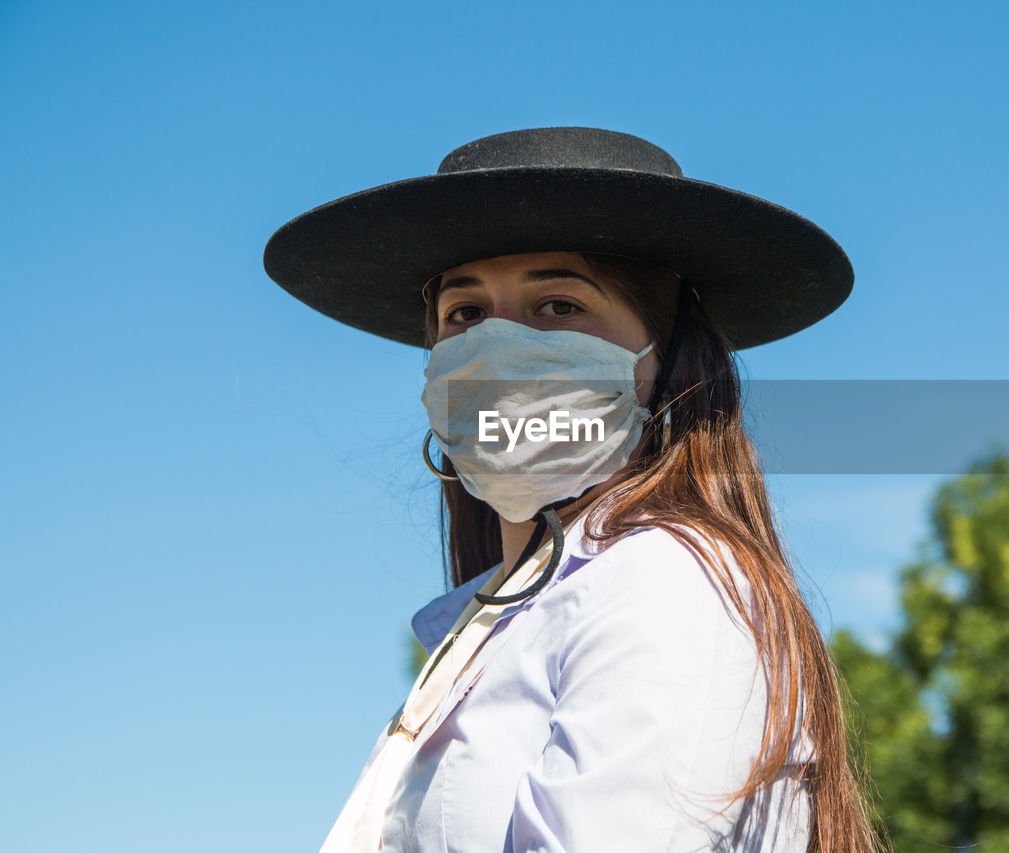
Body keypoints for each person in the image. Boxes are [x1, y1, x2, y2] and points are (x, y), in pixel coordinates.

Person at [264, 127, 882, 853]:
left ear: (671, 358)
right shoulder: (497, 620)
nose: (498, 345)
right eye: (463, 314)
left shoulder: (663, 582)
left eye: (558, 305)